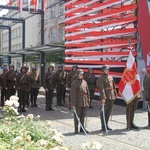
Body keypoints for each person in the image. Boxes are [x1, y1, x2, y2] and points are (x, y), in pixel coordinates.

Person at [96, 65, 116, 131]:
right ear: (103, 70)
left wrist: (115, 95)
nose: (108, 71)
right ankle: (103, 125)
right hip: (105, 97)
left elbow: (114, 87)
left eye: (108, 70)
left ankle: (106, 124)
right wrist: (103, 98)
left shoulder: (111, 77)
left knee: (109, 111)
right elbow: (101, 89)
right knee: (104, 111)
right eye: (106, 69)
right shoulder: (101, 79)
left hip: (111, 96)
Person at [71, 69, 90, 134]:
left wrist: (88, 100)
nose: (81, 76)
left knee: (83, 115)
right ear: (77, 75)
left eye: (82, 74)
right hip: (78, 101)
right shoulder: (74, 83)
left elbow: (88, 92)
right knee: (77, 115)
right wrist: (73, 104)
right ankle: (76, 129)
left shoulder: (85, 82)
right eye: (80, 74)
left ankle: (82, 128)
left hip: (84, 100)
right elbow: (73, 94)